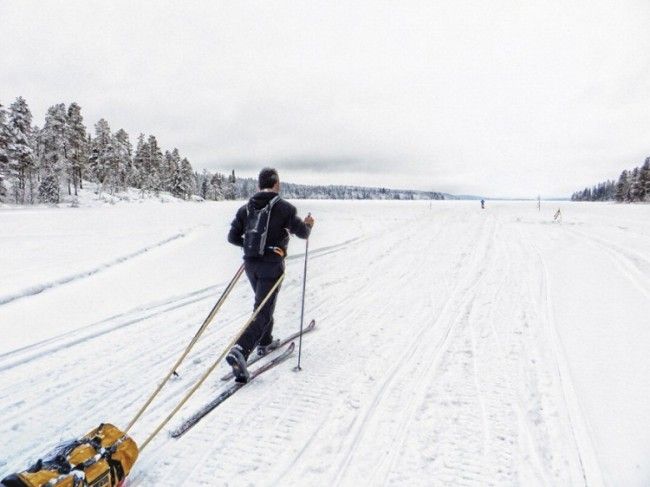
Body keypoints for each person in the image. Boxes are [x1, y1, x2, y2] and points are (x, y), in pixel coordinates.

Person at [226, 168, 314, 382]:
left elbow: (232, 237)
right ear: (276, 184)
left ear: (258, 185)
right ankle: (241, 349)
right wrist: (309, 225)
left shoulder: (245, 209)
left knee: (262, 304)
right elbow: (303, 233)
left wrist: (251, 247)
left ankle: (264, 341)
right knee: (263, 309)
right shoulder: (285, 208)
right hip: (272, 264)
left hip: (250, 265)